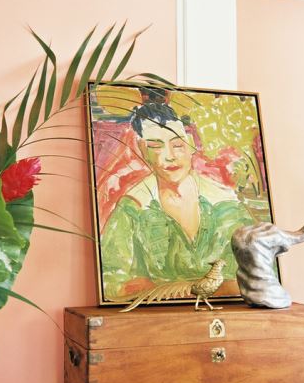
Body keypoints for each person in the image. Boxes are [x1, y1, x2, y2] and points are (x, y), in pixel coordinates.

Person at [100, 99, 253, 301]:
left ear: (191, 144)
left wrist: (167, 289)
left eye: (178, 145)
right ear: (141, 149)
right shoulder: (132, 209)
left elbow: (251, 276)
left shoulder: (225, 205)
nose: (169, 156)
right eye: (156, 146)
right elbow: (113, 283)